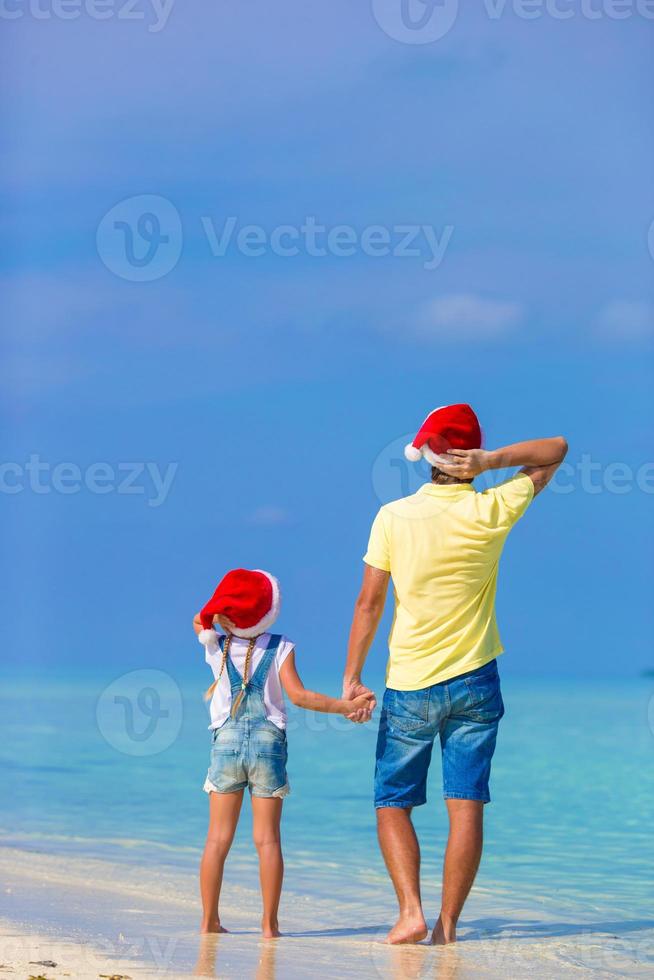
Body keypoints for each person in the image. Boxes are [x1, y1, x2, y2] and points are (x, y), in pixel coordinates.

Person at [341, 404, 568, 945]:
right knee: (465, 802)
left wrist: (351, 677)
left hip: (411, 682)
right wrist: (492, 462)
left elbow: (369, 604)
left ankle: (410, 913)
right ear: (466, 457)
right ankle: (447, 928)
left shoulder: (393, 516)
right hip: (476, 681)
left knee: (393, 801)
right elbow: (555, 449)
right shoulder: (493, 508)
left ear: (425, 456)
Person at [193, 567, 373, 939]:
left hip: (225, 745)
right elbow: (300, 697)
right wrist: (344, 706)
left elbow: (199, 617)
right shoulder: (281, 646)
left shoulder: (216, 645)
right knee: (268, 840)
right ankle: (269, 925)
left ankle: (209, 920)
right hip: (268, 748)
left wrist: (219, 618)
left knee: (217, 839)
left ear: (228, 615)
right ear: (268, 611)